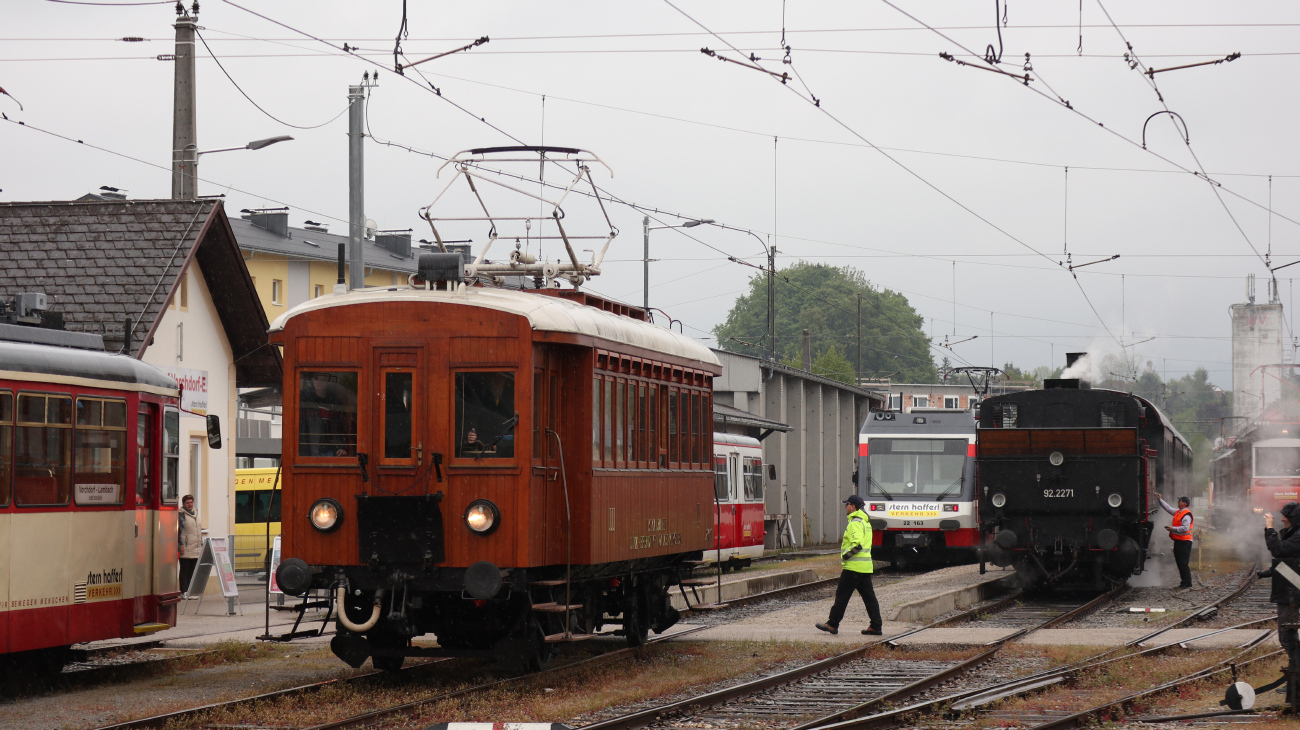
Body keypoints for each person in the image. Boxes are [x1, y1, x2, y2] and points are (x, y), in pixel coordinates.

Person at [816, 494, 883, 636]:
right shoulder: (865, 522)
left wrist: (845, 556)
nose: (845, 507)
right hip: (865, 567)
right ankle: (876, 626)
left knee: (842, 596)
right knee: (869, 598)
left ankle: (832, 624)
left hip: (853, 568)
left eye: (847, 504)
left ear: (853, 506)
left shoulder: (855, 523)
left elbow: (857, 545)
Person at [1262, 502, 1300, 675]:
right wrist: (1270, 572)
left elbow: (1278, 550)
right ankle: (1295, 675)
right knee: (1287, 634)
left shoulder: (1298, 536)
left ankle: (1295, 678)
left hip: (1292, 590)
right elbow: (1287, 560)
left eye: (1285, 516)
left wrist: (1270, 529)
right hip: (1290, 588)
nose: (1282, 519)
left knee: (1287, 634)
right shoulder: (1293, 533)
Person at [1155, 492, 1194, 589]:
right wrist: (1160, 499)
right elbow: (1168, 508)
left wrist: (1173, 528)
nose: (1178, 501)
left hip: (1185, 542)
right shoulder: (1178, 512)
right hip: (1179, 541)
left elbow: (1185, 528)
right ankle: (1184, 582)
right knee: (1180, 563)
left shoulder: (1186, 515)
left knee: (1183, 563)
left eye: (1180, 500)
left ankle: (1187, 583)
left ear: (1184, 503)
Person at [178, 494, 203, 596]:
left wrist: (201, 542)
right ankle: (184, 591)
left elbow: (198, 530)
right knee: (185, 571)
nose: (190, 504)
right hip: (186, 547)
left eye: (191, 502)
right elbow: (178, 531)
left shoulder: (195, 513)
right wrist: (180, 544)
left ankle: (190, 591)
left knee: (192, 571)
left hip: (196, 548)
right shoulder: (181, 514)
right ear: (184, 504)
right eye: (187, 503)